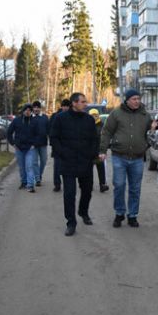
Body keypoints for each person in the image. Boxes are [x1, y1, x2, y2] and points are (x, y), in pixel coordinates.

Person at [99, 89, 151, 228]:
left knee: (135, 188)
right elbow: (106, 132)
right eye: (134, 99)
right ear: (127, 100)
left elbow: (151, 132)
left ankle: (132, 215)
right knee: (119, 186)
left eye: (138, 99)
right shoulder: (116, 113)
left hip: (137, 158)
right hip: (119, 157)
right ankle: (119, 213)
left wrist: (148, 142)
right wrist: (102, 150)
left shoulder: (145, 115)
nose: (137, 101)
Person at [50, 93, 98, 237]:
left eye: (85, 101)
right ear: (74, 103)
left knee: (87, 191)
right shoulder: (60, 119)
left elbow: (95, 139)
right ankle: (71, 222)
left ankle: (83, 211)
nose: (86, 104)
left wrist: (92, 154)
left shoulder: (89, 120)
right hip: (68, 162)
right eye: (83, 102)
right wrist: (62, 153)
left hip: (85, 162)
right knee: (69, 194)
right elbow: (53, 138)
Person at [7, 103, 38, 193]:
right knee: (22, 167)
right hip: (19, 148)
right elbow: (9, 132)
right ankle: (24, 182)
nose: (28, 112)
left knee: (29, 166)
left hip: (30, 148)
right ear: (23, 111)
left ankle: (30, 185)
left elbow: (38, 134)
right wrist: (13, 143)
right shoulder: (16, 121)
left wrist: (34, 144)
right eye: (26, 110)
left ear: (31, 111)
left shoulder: (34, 121)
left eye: (29, 110)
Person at [49, 98, 71, 192]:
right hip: (57, 145)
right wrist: (53, 143)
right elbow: (50, 130)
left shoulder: (72, 116)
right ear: (61, 106)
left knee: (69, 167)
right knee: (57, 167)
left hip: (69, 146)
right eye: (64, 106)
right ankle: (57, 184)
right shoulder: (55, 116)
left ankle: (68, 184)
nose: (65, 108)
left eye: (67, 106)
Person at [89, 108, 110, 193]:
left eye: (96, 115)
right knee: (88, 170)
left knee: (101, 169)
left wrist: (103, 150)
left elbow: (105, 138)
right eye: (92, 115)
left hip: (99, 151)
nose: (94, 117)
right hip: (88, 152)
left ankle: (102, 185)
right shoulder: (86, 125)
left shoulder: (102, 125)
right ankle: (89, 185)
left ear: (98, 116)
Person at [31, 100, 49, 186]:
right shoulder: (30, 117)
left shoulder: (45, 117)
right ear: (33, 108)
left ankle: (39, 175)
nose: (36, 109)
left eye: (38, 107)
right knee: (34, 162)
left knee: (44, 160)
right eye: (35, 107)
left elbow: (49, 130)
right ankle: (37, 179)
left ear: (40, 108)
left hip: (43, 143)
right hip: (33, 145)